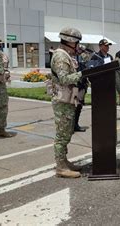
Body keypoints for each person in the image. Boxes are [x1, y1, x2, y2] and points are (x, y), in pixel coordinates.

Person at [50, 27, 84, 178]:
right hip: (62, 101)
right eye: (77, 43)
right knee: (62, 135)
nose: (78, 46)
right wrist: (82, 74)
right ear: (70, 42)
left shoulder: (67, 56)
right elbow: (64, 79)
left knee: (67, 133)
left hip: (68, 99)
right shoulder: (61, 57)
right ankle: (60, 167)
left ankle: (64, 161)